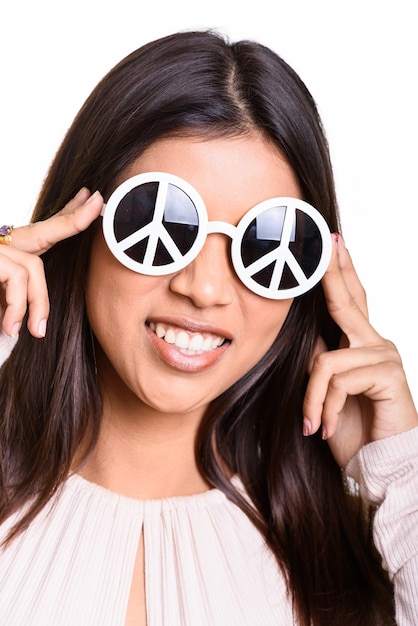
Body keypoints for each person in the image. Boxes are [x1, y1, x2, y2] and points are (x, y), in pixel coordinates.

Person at [0, 29, 417, 626]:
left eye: (266, 243)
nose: (204, 288)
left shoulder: (334, 558)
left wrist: (404, 471)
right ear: (82, 223)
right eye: (160, 220)